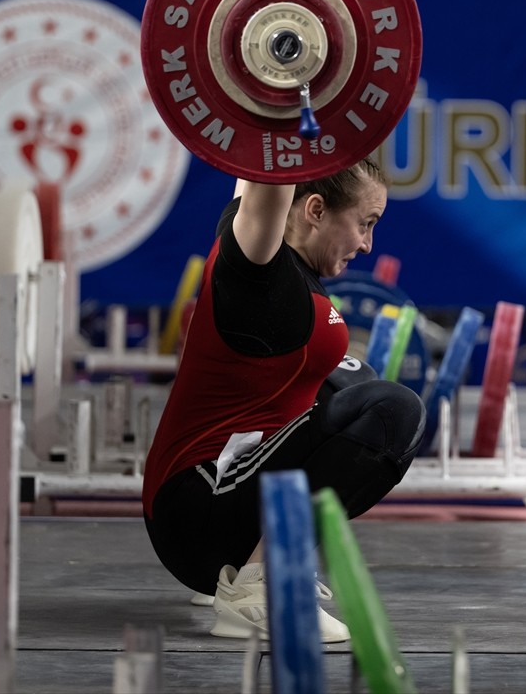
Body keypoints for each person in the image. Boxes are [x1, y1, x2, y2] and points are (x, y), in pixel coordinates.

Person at [142, 156, 425, 642]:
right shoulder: (257, 271)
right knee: (393, 412)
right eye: (365, 223)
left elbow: (248, 150)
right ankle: (262, 586)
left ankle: (247, 571)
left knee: (355, 380)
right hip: (198, 509)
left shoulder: (258, 252)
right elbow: (265, 154)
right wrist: (283, 118)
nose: (367, 244)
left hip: (206, 519)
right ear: (314, 209)